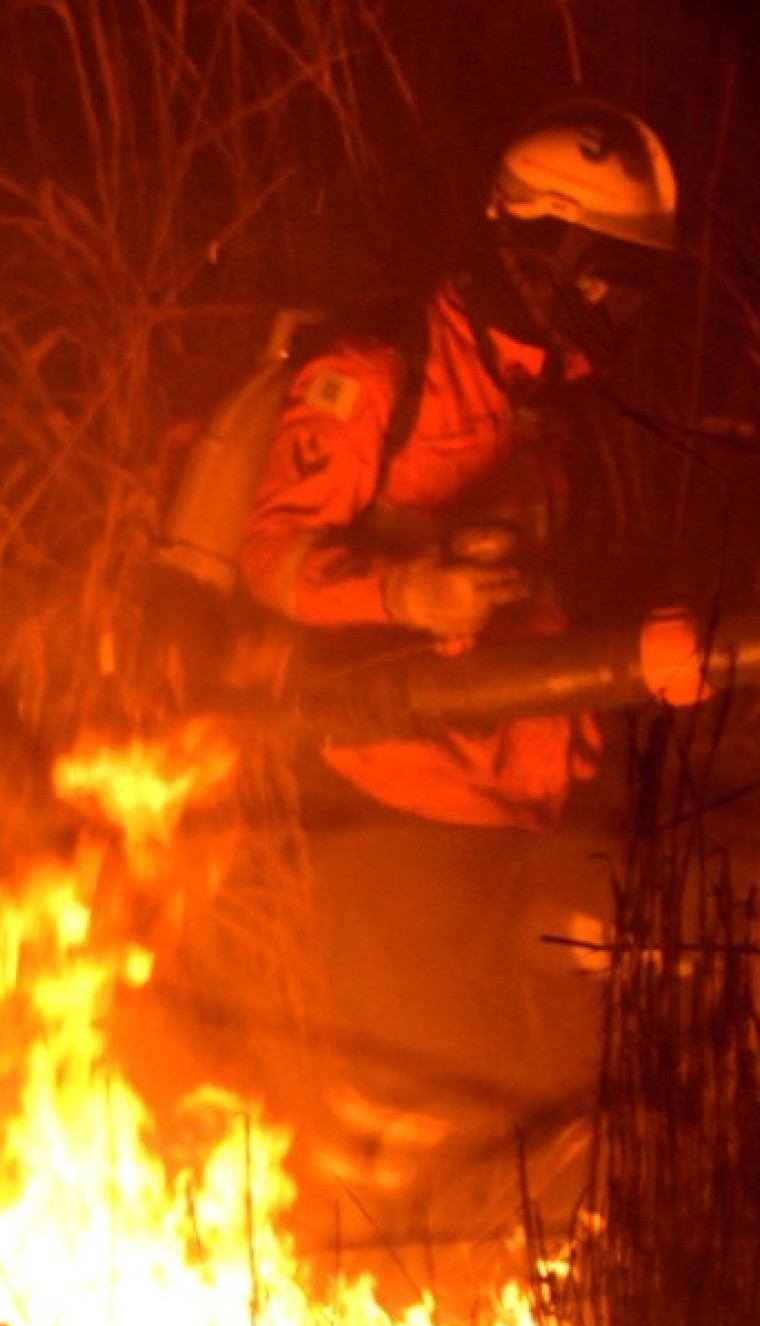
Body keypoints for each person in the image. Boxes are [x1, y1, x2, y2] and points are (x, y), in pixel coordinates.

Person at [235, 101, 684, 1237]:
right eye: (605, 273)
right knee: (402, 1129)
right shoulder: (372, 372)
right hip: (393, 816)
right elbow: (271, 557)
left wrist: (655, 641)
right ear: (534, 243)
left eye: (636, 281)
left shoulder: (557, 396)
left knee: (588, 1103)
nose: (618, 305)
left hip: (537, 807)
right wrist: (407, 593)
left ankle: (566, 1324)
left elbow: (560, 595)